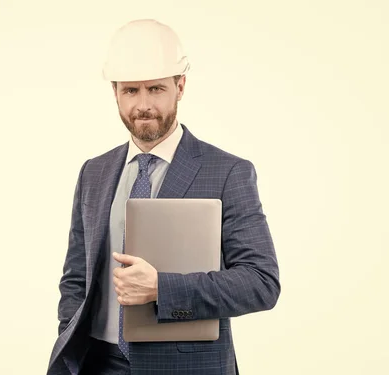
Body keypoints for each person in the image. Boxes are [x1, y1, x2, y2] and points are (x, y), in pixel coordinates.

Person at [46, 19, 281, 375]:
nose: (143, 105)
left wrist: (161, 288)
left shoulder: (228, 172)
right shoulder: (94, 172)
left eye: (155, 89)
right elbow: (76, 277)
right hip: (97, 364)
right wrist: (69, 334)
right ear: (115, 92)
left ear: (180, 85)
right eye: (130, 91)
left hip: (185, 368)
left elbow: (261, 283)